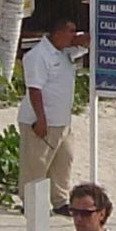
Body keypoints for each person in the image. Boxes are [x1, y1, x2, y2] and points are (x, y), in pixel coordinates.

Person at [18, 14, 87, 208]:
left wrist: (81, 39)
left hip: (62, 121)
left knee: (64, 160)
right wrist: (41, 120)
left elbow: (83, 44)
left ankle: (60, 201)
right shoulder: (38, 55)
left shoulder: (64, 52)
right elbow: (34, 89)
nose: (74, 35)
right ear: (58, 33)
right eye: (70, 31)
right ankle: (31, 203)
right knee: (36, 164)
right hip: (42, 119)